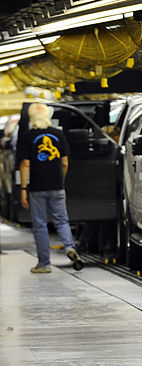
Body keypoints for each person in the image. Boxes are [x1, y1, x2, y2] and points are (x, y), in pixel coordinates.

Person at [17, 102, 83, 273]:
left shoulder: (27, 136)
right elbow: (65, 162)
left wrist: (23, 189)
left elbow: (25, 164)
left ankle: (44, 263)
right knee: (62, 220)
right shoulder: (58, 134)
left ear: (32, 118)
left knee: (40, 225)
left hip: (37, 187)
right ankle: (69, 247)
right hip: (56, 185)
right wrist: (61, 179)